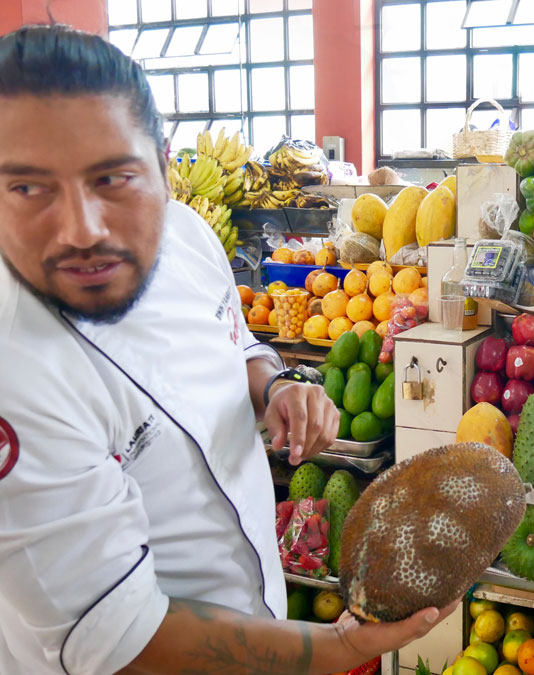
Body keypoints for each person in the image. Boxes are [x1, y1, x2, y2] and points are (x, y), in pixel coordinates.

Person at [0, 25, 453, 675]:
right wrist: (338, 649)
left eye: (113, 177)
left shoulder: (184, 236)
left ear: (162, 162)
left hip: (256, 609)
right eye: (28, 188)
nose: (82, 230)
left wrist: (278, 384)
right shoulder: (17, 367)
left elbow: (238, 344)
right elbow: (121, 637)